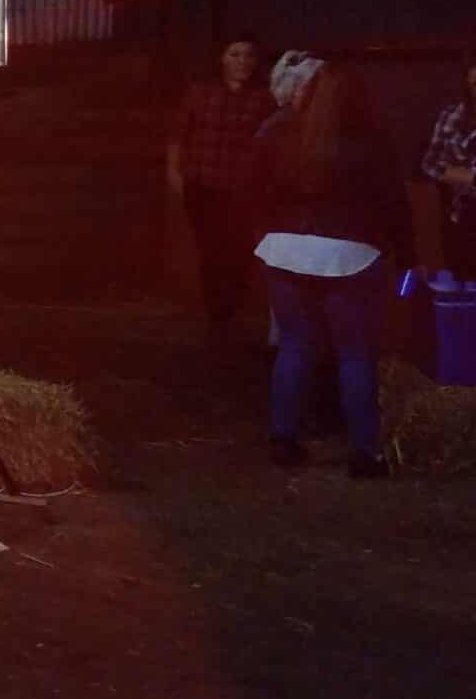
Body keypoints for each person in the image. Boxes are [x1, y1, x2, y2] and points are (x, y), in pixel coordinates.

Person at [253, 52, 410, 477]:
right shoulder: (371, 139)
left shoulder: (275, 129)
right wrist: (407, 262)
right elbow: (394, 205)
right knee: (355, 355)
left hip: (284, 251)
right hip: (349, 255)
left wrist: (263, 239)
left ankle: (283, 439)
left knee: (294, 345)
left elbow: (252, 189)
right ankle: (365, 453)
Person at [168, 35, 268, 343]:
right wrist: (175, 174)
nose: (242, 61)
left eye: (248, 55)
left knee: (238, 250)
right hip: (203, 183)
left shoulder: (264, 98)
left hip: (242, 187)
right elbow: (178, 135)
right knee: (210, 249)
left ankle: (230, 310)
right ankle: (217, 315)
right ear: (222, 59)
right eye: (235, 54)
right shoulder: (200, 93)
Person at [418, 51, 476, 285]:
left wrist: (455, 173)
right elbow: (430, 165)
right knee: (467, 286)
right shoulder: (454, 115)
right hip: (463, 217)